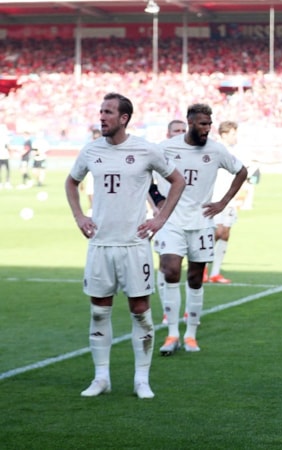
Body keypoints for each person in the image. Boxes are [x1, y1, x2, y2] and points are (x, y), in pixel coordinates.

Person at [64, 92, 186, 399]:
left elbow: (178, 181)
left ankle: (141, 379)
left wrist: (160, 219)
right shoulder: (91, 150)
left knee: (140, 311)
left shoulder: (146, 149)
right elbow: (71, 182)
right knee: (98, 312)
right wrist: (79, 215)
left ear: (124, 118)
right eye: (100, 111)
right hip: (101, 245)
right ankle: (101, 377)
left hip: (134, 246)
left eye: (108, 112)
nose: (101, 117)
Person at [153, 104, 248, 356]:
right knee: (170, 271)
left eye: (209, 123)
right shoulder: (166, 147)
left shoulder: (216, 149)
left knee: (195, 279)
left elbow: (242, 171)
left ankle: (191, 335)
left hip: (202, 222)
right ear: (190, 122)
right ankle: (172, 333)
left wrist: (223, 202)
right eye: (202, 124)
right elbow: (144, 173)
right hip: (171, 222)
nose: (207, 128)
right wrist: (157, 200)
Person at [153, 119, 187, 325]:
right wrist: (158, 203)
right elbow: (147, 180)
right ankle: (168, 310)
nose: (180, 133)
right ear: (168, 134)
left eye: (184, 130)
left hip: (188, 217)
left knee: (185, 266)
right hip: (165, 216)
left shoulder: (193, 153)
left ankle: (182, 310)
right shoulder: (159, 152)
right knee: (166, 264)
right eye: (176, 131)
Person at [207, 120, 244, 284]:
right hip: (215, 198)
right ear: (224, 134)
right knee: (215, 232)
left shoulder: (236, 151)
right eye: (233, 134)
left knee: (225, 233)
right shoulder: (215, 150)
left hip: (229, 199)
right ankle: (201, 268)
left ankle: (215, 273)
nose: (236, 137)